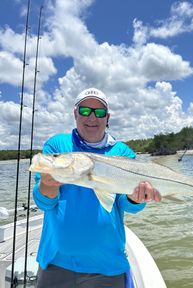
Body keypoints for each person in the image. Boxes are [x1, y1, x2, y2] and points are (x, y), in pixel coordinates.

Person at [33, 87, 162, 288]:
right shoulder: (57, 145)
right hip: (56, 263)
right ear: (75, 113)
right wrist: (46, 184)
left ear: (107, 117)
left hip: (107, 266)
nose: (92, 117)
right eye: (85, 110)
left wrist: (136, 198)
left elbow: (125, 205)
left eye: (99, 112)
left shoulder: (122, 152)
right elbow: (44, 203)